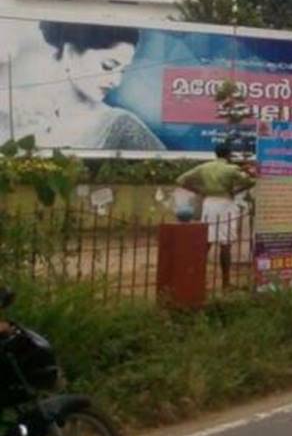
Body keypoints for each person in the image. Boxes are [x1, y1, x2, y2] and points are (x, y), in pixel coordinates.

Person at [2, 21, 164, 151]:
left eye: (122, 71)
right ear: (70, 53)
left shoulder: (119, 123)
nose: (116, 82)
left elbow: (169, 169)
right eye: (107, 66)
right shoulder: (18, 109)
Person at [177, 143, 256, 289]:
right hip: (225, 204)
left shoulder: (204, 167)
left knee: (207, 240)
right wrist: (238, 188)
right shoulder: (231, 169)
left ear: (216, 154)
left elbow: (181, 180)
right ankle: (226, 282)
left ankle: (195, 278)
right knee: (225, 243)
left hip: (208, 204)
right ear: (228, 155)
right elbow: (252, 181)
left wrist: (199, 191)